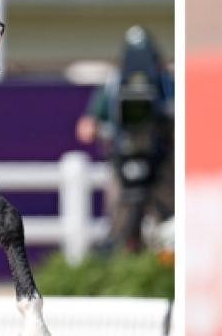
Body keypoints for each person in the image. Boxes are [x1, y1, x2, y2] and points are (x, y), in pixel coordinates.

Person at [75, 26, 175, 251]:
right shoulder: (112, 85)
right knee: (120, 217)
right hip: (122, 161)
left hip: (160, 162)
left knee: (168, 223)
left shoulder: (166, 84)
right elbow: (85, 127)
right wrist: (100, 127)